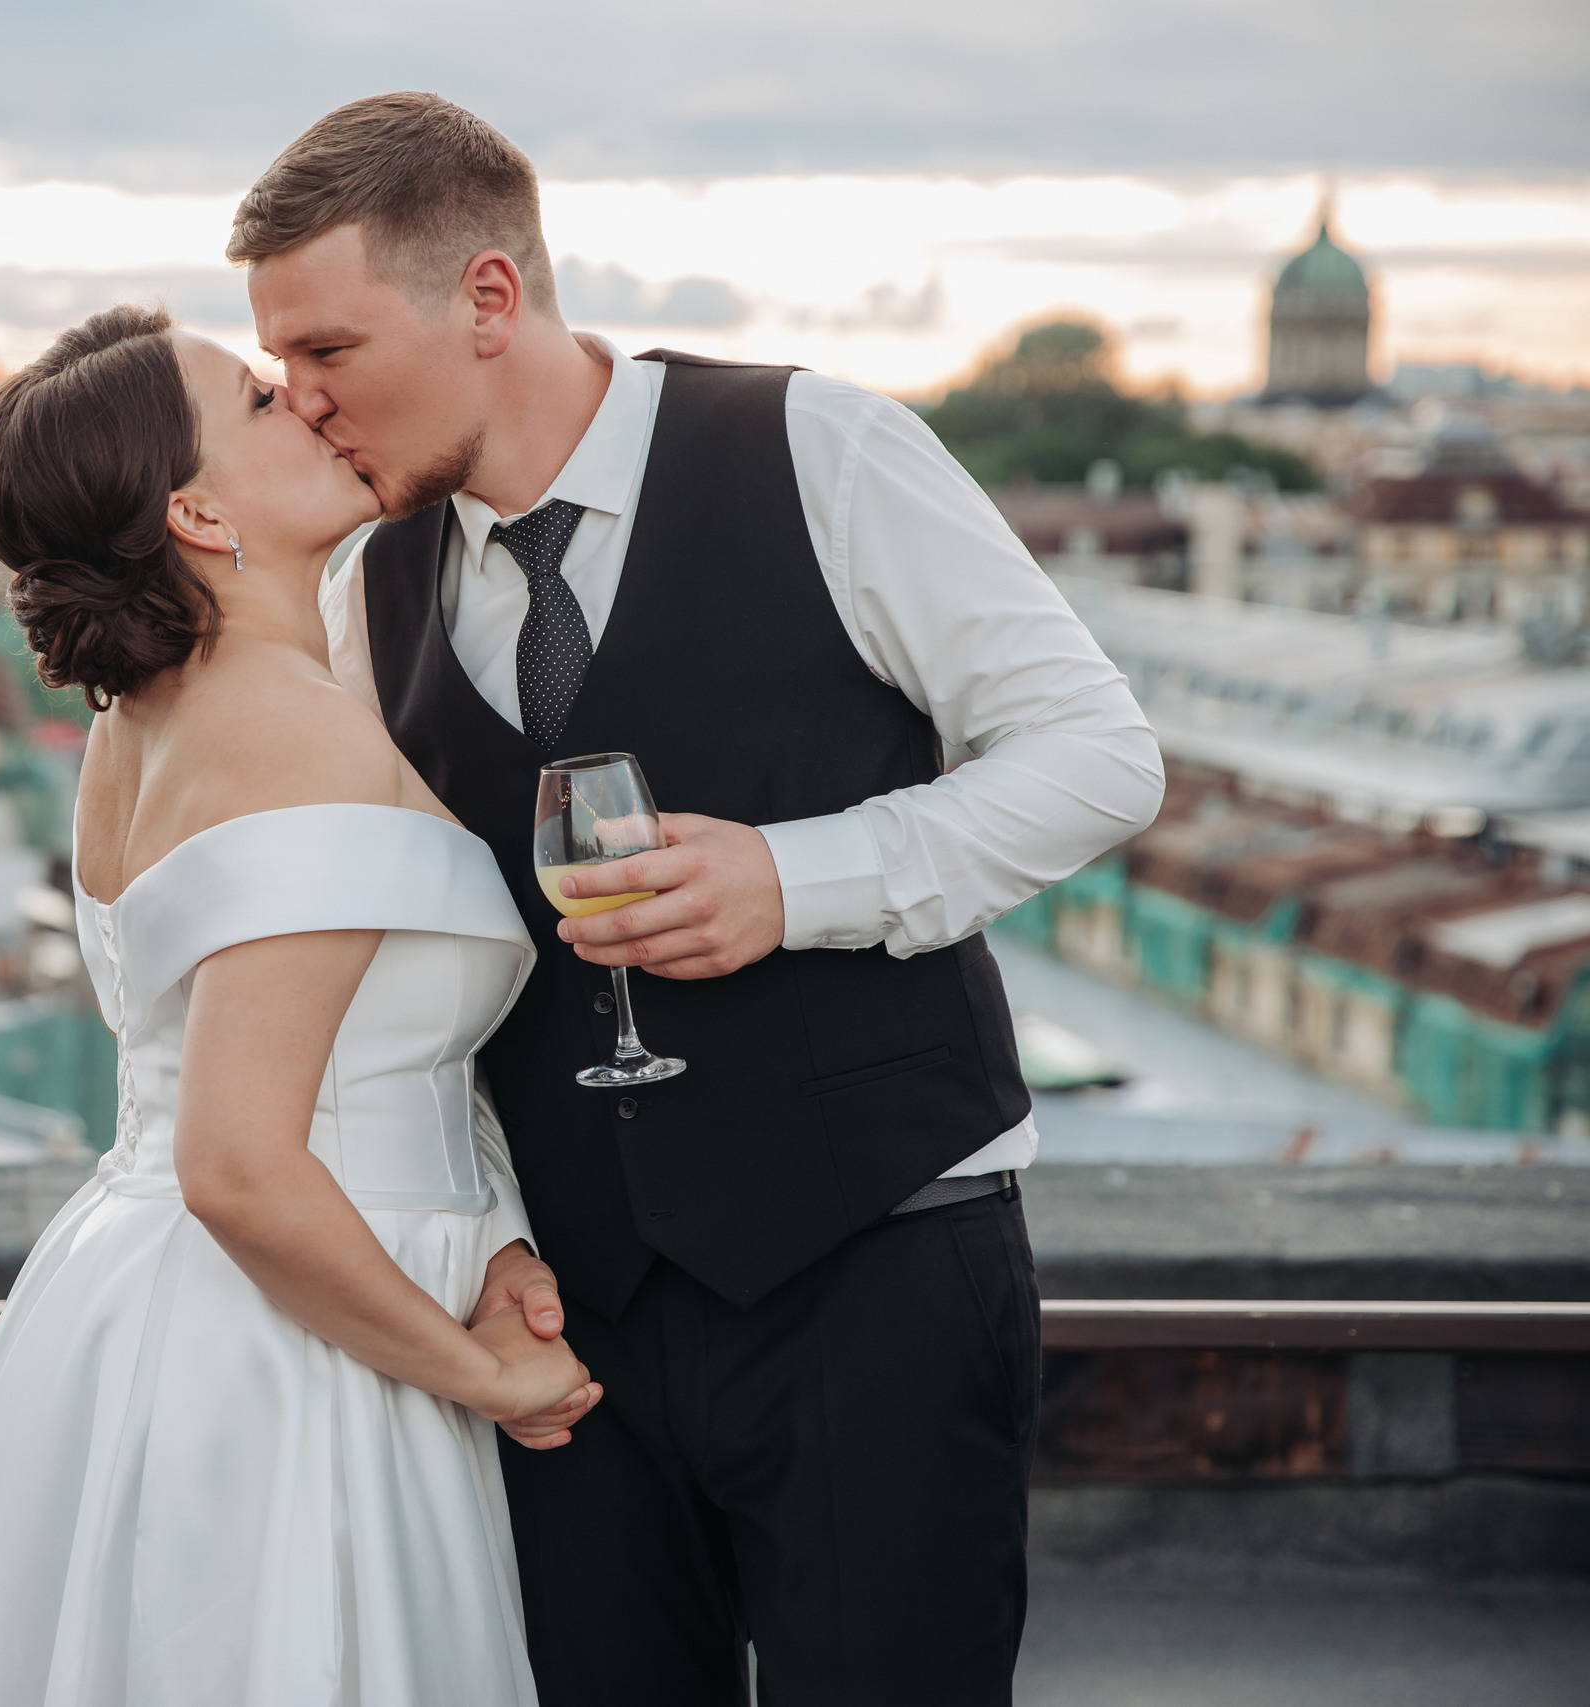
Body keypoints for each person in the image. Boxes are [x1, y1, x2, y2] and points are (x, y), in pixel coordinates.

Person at [236, 94, 1165, 1705]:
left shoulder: (821, 448)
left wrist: (794, 880)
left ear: (488, 297)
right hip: (571, 1320)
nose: (300, 402)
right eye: (277, 365)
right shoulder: (363, 588)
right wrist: (494, 1235)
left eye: (327, 350)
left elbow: (1099, 757)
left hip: (877, 1271)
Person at [0, 303, 598, 1707]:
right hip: (293, 1346)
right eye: (256, 400)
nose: (302, 400)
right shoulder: (293, 734)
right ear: (193, 511)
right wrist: (481, 1377)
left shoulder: (140, 725)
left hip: (154, 1296)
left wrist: (492, 1232)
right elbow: (240, 1162)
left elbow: (350, 1050)